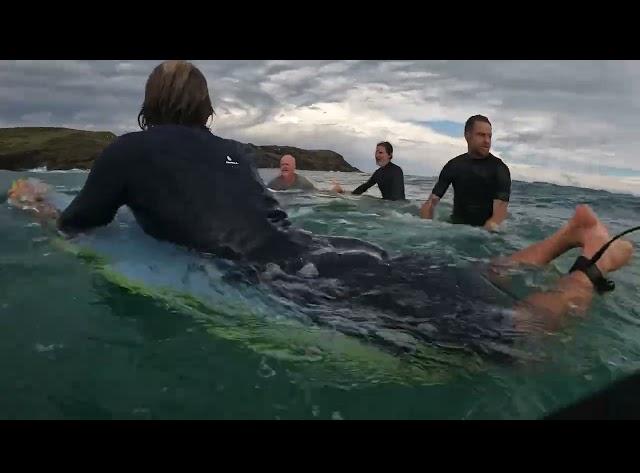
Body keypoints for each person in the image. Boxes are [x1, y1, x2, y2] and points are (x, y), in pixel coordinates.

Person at [6, 61, 634, 359]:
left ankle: (594, 268)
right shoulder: (230, 150)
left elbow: (77, 224)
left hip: (283, 279)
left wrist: (32, 203)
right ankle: (564, 240)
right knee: (458, 280)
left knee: (513, 343)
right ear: (204, 110)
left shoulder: (127, 150)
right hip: (322, 253)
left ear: (150, 106)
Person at [420, 115, 511, 231]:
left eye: (489, 136)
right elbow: (430, 203)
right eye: (481, 135)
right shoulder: (453, 165)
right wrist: (425, 228)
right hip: (456, 229)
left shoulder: (499, 168)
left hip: (487, 235)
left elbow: (499, 214)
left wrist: (483, 235)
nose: (487, 141)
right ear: (467, 136)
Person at [332, 141, 405, 201]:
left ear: (389, 155)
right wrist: (344, 193)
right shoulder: (378, 173)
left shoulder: (396, 171)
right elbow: (364, 187)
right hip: (388, 207)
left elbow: (397, 197)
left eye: (380, 153)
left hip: (398, 208)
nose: (377, 155)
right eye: (376, 152)